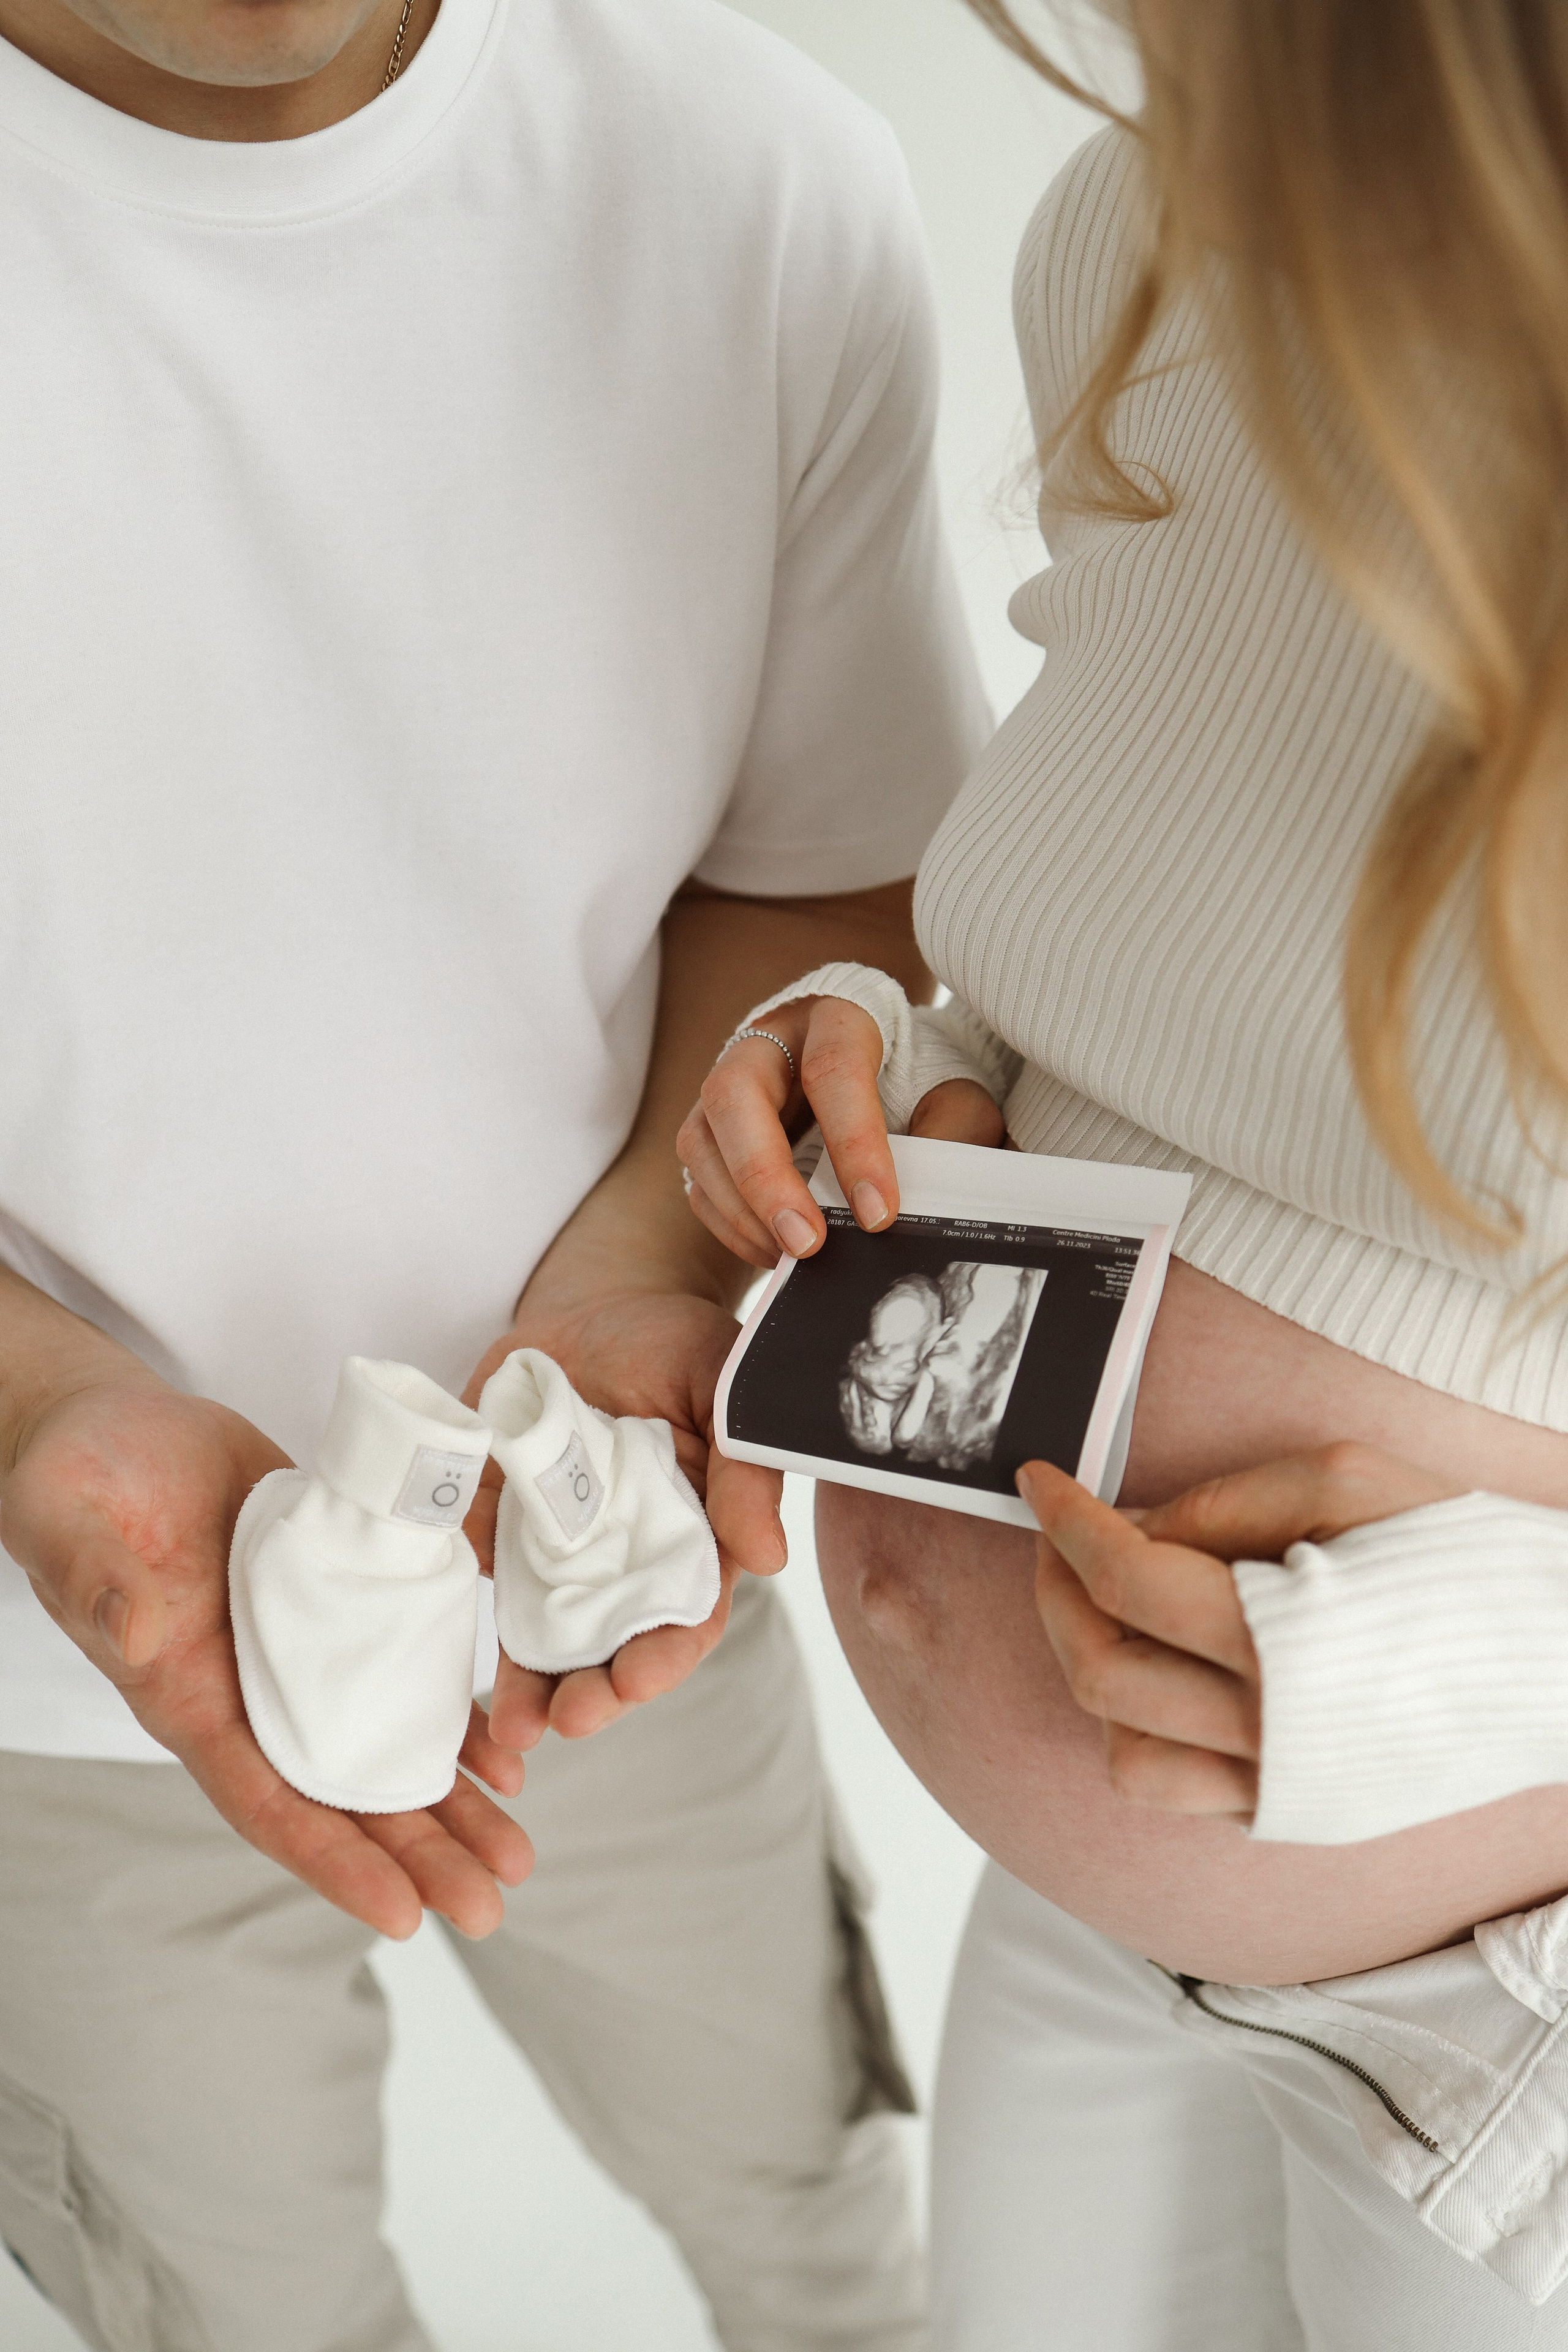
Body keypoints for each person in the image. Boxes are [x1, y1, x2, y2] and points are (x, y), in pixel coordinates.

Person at [0, 0, 993, 2342]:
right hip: (41, 1707)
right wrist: (33, 1409)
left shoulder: (752, 181)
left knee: (823, 2212)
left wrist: (655, 1244)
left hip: (621, 1588)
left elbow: (820, 859)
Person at [677, 2, 1568, 2345]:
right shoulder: (1150, 228)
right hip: (1085, 1919)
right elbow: (1122, 953)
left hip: (1508, 2029)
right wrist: (882, 1048)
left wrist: (1514, 1674)